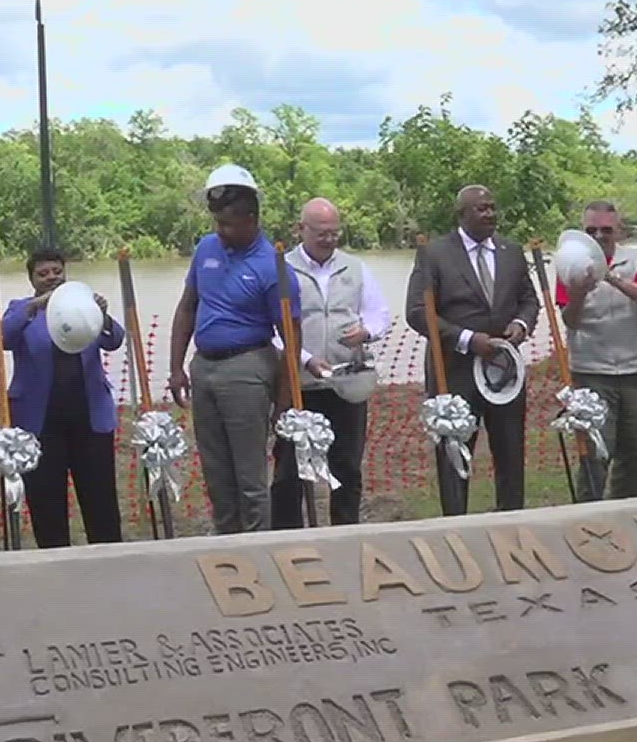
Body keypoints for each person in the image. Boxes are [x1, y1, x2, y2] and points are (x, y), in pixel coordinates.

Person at [167, 164, 316, 534]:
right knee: (216, 471)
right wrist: (175, 367)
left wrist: (284, 397)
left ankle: (255, 547)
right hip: (205, 367)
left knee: (249, 475)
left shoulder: (273, 267)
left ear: (251, 220)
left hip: (247, 368)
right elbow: (187, 307)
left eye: (229, 223)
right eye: (217, 222)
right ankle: (225, 543)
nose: (221, 230)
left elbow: (291, 337)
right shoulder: (206, 249)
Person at [404, 184, 540, 514]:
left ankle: (512, 522)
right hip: (454, 371)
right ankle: (455, 525)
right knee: (454, 455)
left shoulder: (511, 251)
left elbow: (529, 300)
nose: (490, 214)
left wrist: (521, 325)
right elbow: (417, 312)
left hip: (505, 372)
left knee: (510, 451)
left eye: (492, 207)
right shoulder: (434, 254)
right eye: (481, 209)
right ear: (462, 214)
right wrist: (467, 338)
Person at [269, 198, 392, 528]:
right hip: (299, 386)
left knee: (347, 468)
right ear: (301, 230)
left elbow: (379, 313)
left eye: (334, 233)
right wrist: (305, 359)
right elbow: (270, 329)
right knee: (289, 472)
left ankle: (346, 532)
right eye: (321, 233)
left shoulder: (355, 267)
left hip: (345, 384)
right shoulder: (280, 268)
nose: (329, 239)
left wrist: (366, 331)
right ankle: (287, 536)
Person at [3, 247, 125, 547]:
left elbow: (115, 340)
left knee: (100, 496)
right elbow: (3, 337)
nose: (51, 278)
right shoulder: (21, 309)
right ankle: (54, 559)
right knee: (46, 499)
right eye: (42, 273)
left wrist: (102, 315)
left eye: (56, 272)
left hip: (88, 414)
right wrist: (35, 306)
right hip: (40, 420)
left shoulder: (81, 304)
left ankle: (108, 556)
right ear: (31, 278)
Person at [555, 200, 637, 499]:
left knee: (634, 452)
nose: (599, 236)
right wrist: (578, 294)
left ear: (619, 231)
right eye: (591, 230)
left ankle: (627, 509)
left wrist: (611, 277)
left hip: (635, 370)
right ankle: (589, 513)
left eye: (606, 230)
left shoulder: (636, 260)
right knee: (596, 453)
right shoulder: (568, 265)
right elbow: (570, 321)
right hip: (591, 372)